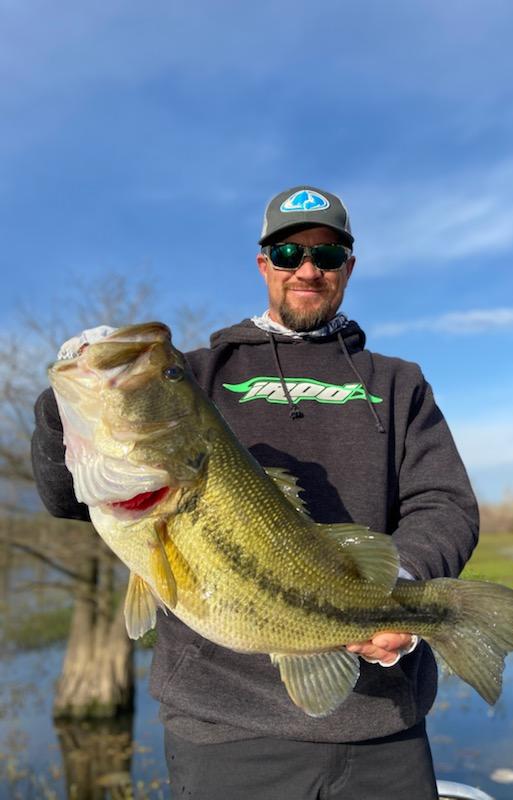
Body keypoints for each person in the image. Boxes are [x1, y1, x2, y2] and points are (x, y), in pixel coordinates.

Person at [31, 185, 479, 800]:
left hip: (384, 724)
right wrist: (66, 407)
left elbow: (444, 502)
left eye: (327, 255)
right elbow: (64, 496)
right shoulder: (196, 373)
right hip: (224, 729)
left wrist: (402, 583)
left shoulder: (399, 383)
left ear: (348, 266)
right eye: (289, 251)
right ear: (263, 262)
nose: (308, 269)